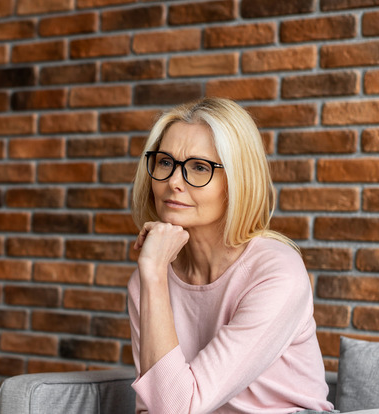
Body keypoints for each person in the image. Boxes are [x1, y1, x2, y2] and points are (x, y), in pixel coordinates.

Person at [127, 97, 336, 414]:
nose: (172, 182)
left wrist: (153, 273)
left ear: (237, 180)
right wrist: (152, 274)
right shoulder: (149, 277)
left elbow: (174, 409)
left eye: (199, 167)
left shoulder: (276, 274)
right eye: (165, 162)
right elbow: (154, 406)